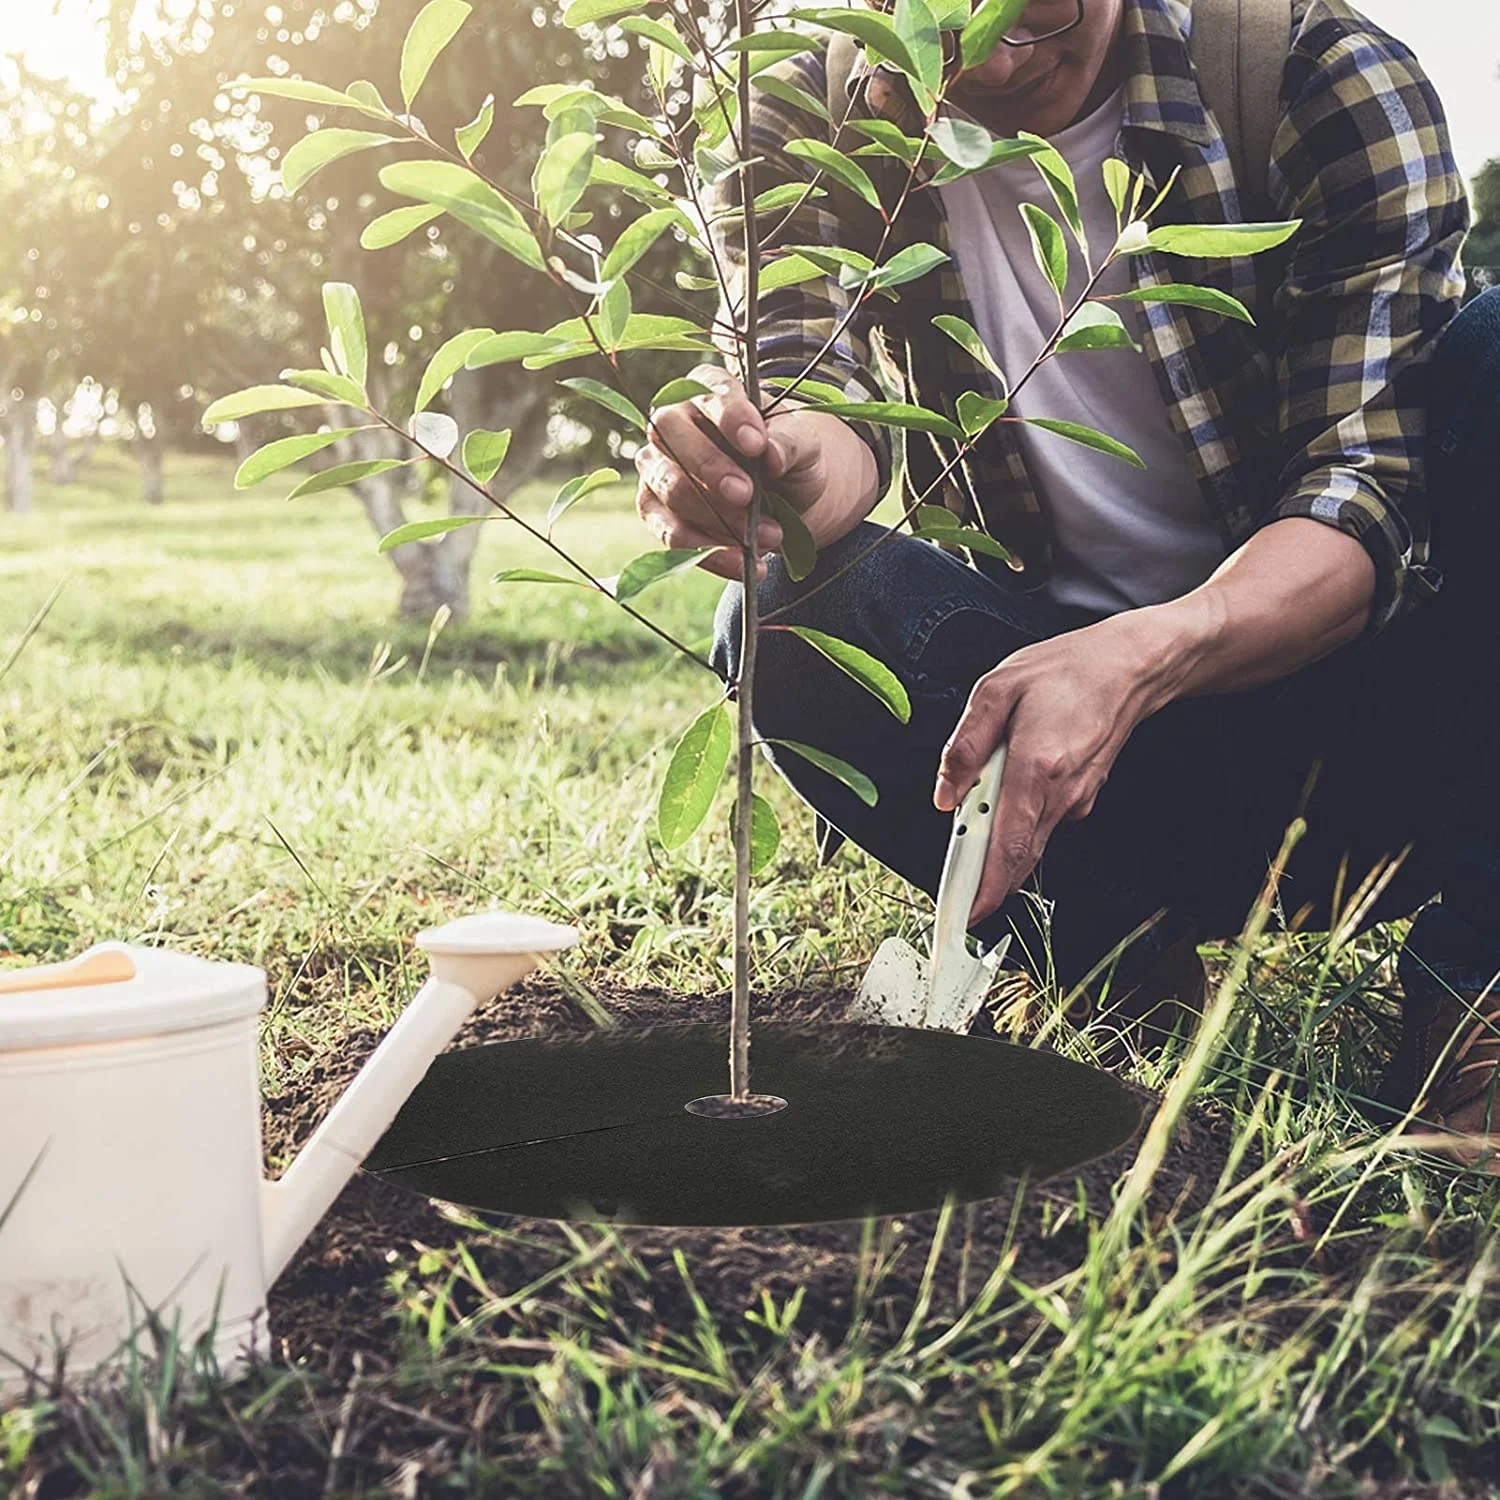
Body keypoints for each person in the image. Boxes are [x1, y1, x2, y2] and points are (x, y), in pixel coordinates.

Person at [632, 0, 1500, 1163]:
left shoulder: (1316, 76)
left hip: (1380, 750)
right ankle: (1117, 966)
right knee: (777, 616)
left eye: (1029, 12)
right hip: (1069, 769)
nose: (986, 58)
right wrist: (774, 466)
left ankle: (1473, 1007)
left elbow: (1365, 497)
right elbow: (814, 393)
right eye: (942, 16)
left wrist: (1144, 652)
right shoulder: (805, 111)